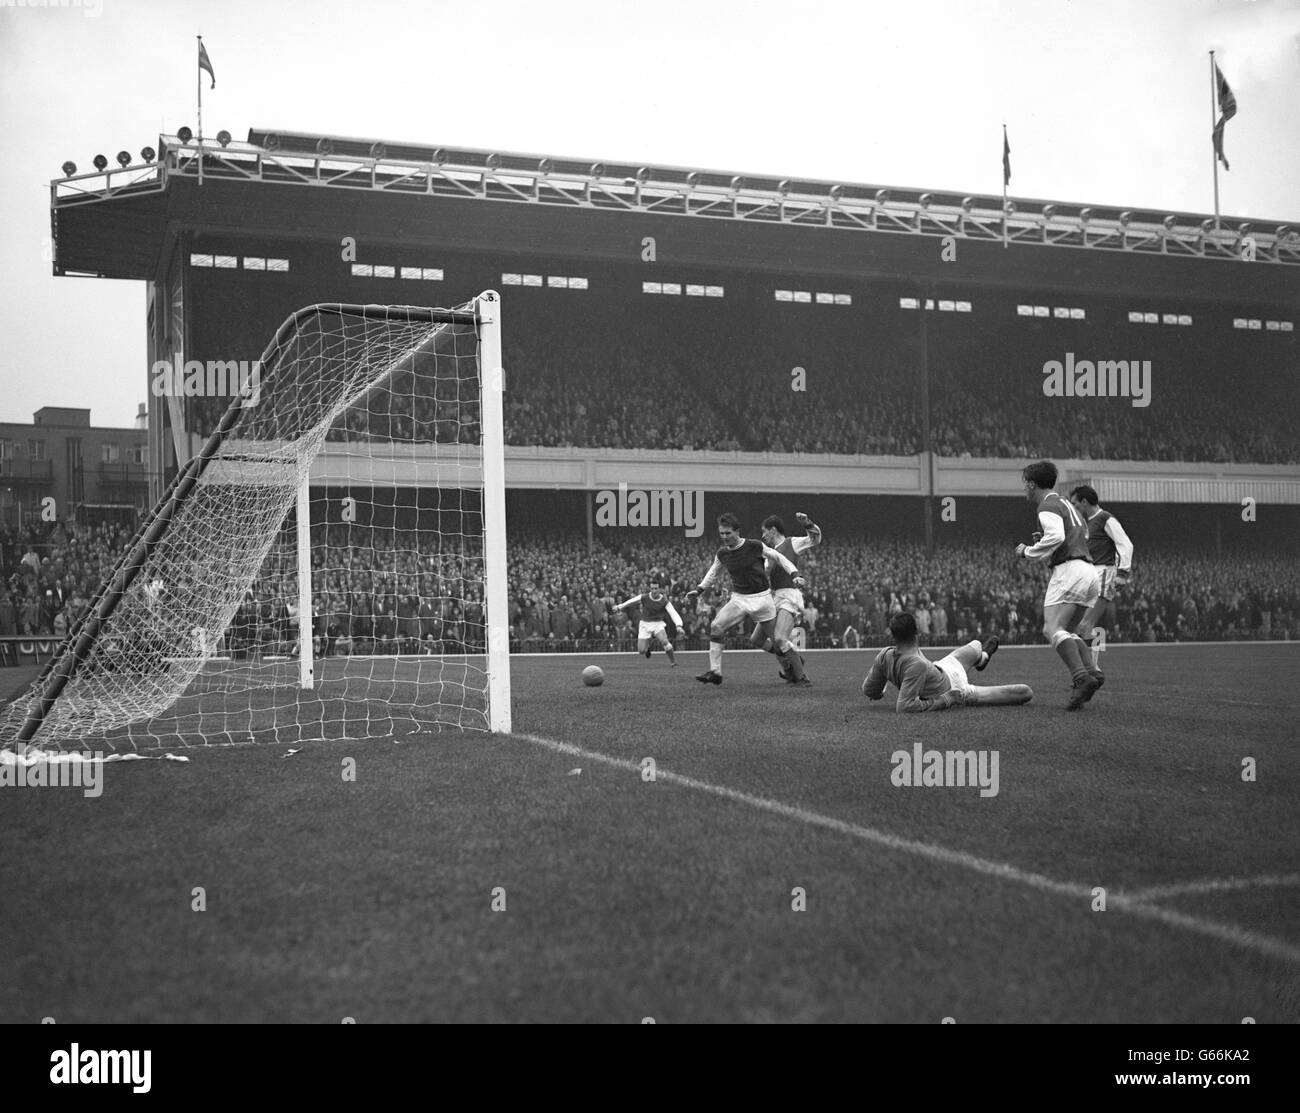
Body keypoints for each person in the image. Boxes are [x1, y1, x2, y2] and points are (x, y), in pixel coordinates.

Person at [1015, 460, 1102, 710]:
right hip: (1088, 571)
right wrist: (1046, 546)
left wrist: (1028, 551)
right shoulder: (1066, 503)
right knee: (1067, 630)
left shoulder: (1047, 505)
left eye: (1025, 485)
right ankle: (1092, 672)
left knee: (1051, 629)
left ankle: (1081, 678)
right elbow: (1078, 536)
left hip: (1070, 570)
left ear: (1032, 484)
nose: (1024, 490)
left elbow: (1057, 537)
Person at [686, 512, 801, 685]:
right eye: (722, 534)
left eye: (728, 533)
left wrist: (794, 573)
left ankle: (793, 666)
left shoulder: (754, 546)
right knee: (716, 626)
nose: (724, 537)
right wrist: (700, 589)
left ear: (737, 531)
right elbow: (713, 572)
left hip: (762, 599)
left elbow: (778, 556)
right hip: (740, 599)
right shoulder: (723, 553)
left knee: (778, 643)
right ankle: (715, 672)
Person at [862, 612, 1030, 712]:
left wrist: (879, 692)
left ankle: (983, 658)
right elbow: (905, 707)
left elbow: (869, 689)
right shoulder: (916, 664)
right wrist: (946, 700)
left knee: (977, 645)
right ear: (917, 632)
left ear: (894, 635)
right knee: (1025, 692)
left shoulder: (884, 655)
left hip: (943, 667)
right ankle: (981, 658)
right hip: (956, 688)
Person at [751, 512, 821, 685]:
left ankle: (801, 676)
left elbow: (814, 539)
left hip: (789, 595)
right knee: (757, 640)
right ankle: (793, 660)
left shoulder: (791, 543)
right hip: (774, 597)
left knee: (780, 638)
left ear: (773, 530)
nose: (763, 535)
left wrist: (808, 523)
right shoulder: (769, 553)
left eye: (764, 531)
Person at [1068, 485, 1134, 667]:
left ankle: (1091, 671)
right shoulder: (1086, 523)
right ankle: (1093, 670)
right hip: (1089, 577)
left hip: (1103, 574)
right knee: (1087, 627)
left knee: (1084, 626)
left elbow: (1125, 544)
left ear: (1084, 501)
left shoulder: (1105, 518)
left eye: (1075, 504)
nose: (1074, 508)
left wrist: (1122, 573)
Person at [613, 578, 683, 667]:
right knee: (641, 651)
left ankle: (673, 662)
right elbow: (632, 601)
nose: (654, 591)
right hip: (645, 624)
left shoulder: (664, 601)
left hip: (657, 624)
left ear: (659, 589)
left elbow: (673, 613)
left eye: (656, 588)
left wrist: (679, 625)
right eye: (652, 588)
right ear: (650, 589)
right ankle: (647, 648)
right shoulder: (645, 597)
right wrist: (620, 606)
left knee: (665, 642)